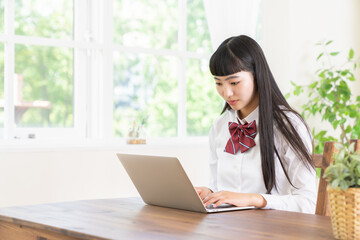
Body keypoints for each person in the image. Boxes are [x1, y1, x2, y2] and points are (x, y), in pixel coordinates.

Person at [195, 35, 317, 213]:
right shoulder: (220, 126)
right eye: (218, 83)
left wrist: (254, 199)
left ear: (257, 76)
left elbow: (307, 203)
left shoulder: (289, 125)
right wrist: (209, 194)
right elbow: (220, 190)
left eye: (234, 82)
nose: (226, 93)